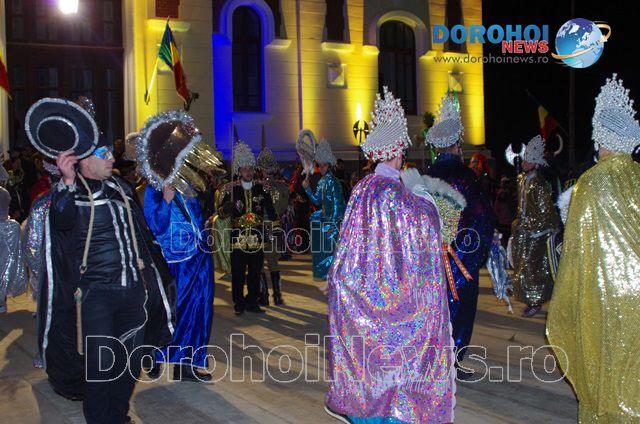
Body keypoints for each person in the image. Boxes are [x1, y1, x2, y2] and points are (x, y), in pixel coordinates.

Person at [26, 97, 174, 423]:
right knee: (100, 369)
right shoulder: (70, 194)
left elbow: (144, 236)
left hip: (133, 292)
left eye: (110, 153)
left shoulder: (121, 188)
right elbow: (61, 223)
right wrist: (66, 183)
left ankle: (119, 416)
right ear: (84, 161)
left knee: (129, 363)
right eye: (104, 154)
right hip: (97, 297)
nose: (111, 158)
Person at [325, 87, 455, 423]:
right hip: (395, 293)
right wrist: (427, 199)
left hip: (366, 288)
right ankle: (393, 411)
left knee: (372, 356)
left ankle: (365, 408)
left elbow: (350, 245)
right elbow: (424, 229)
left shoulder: (362, 188)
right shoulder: (396, 194)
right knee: (398, 353)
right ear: (396, 152)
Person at [547, 74, 640, 422]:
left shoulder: (590, 184)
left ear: (601, 138)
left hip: (606, 296)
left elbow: (576, 252)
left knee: (605, 371)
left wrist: (567, 299)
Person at [138, 111, 219, 382]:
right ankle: (155, 354)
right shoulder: (154, 189)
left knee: (198, 311)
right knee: (171, 312)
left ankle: (187, 364)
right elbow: (156, 225)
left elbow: (196, 218)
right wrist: (166, 200)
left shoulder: (187, 186)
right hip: (174, 263)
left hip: (197, 258)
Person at [426, 92, 495, 377]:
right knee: (459, 308)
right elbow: (482, 218)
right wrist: (473, 256)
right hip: (458, 258)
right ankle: (451, 361)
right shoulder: (466, 177)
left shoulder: (427, 175)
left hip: (430, 258)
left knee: (433, 308)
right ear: (457, 144)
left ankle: (433, 361)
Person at [507, 135, 561, 317]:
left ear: (536, 163)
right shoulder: (523, 180)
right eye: (525, 159)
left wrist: (531, 226)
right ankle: (528, 297)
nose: (525, 163)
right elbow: (521, 206)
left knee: (533, 268)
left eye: (529, 160)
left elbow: (546, 212)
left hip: (537, 234)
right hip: (524, 233)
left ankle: (536, 300)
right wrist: (519, 223)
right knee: (522, 266)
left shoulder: (539, 183)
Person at [219, 141, 275, 315]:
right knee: (237, 273)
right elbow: (221, 214)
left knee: (255, 272)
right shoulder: (231, 190)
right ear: (239, 171)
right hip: (238, 239)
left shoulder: (262, 188)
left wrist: (272, 232)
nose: (248, 172)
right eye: (244, 169)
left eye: (250, 169)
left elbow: (271, 212)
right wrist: (226, 208)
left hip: (257, 238)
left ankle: (252, 302)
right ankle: (238, 304)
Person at [302, 139, 345, 282]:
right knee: (321, 250)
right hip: (324, 220)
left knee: (331, 251)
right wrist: (307, 188)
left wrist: (333, 224)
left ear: (329, 165)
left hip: (332, 221)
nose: (321, 167)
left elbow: (338, 204)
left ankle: (333, 276)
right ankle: (324, 275)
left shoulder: (334, 182)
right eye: (319, 165)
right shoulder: (322, 181)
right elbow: (316, 201)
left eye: (324, 165)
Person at [257, 147, 289, 305]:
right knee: (273, 263)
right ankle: (277, 296)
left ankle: (264, 296)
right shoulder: (283, 188)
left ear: (263, 171)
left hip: (262, 228)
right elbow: (282, 208)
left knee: (259, 263)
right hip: (276, 228)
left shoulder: (258, 188)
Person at [1, 174, 27, 314]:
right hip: (6, 230)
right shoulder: (4, 192)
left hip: (5, 230)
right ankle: (2, 300)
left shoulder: (4, 192)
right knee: (4, 264)